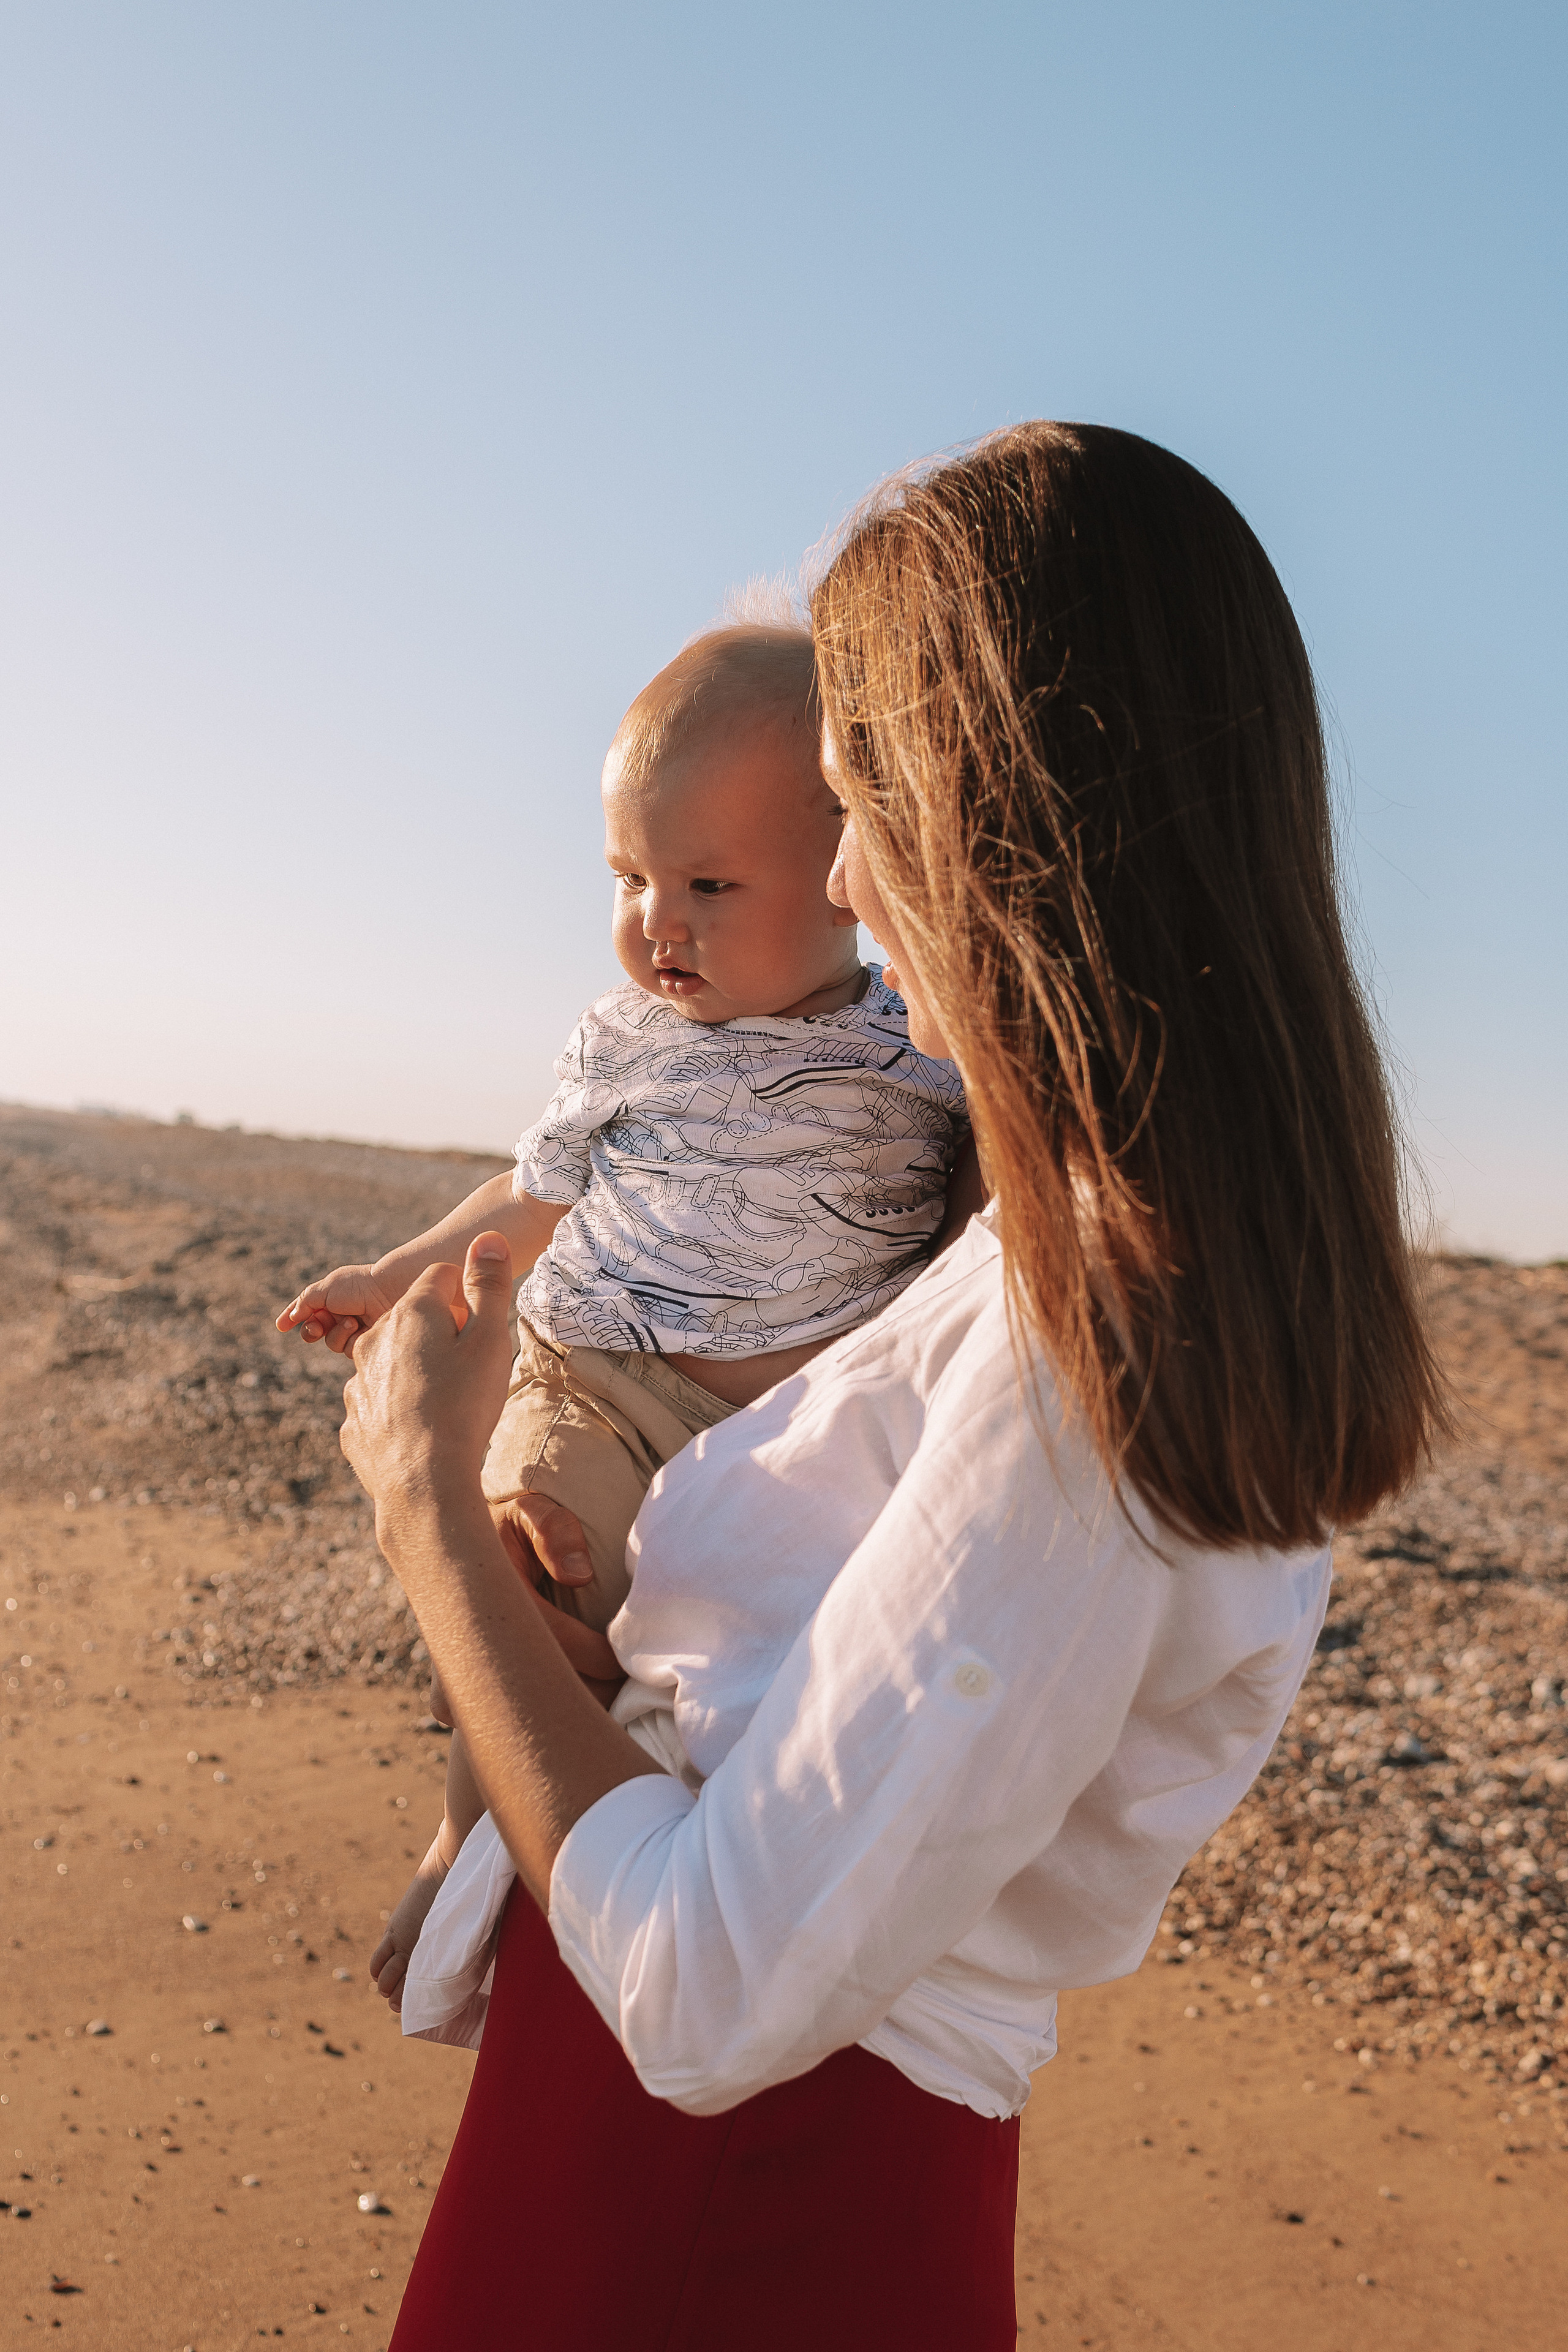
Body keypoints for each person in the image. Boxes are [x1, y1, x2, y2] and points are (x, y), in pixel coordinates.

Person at [337, 423, 1446, 2352]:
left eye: (870, 800)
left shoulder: (1090, 1358)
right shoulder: (1036, 1249)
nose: (842, 874)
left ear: (1022, 818)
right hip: (698, 2150)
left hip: (729, 2200)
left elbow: (712, 1989)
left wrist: (426, 1513)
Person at [274, 625, 968, 2002]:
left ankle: (642, 1822)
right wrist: (400, 1275)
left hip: (775, 1428)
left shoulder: (918, 1053)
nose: (658, 922)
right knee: (521, 1566)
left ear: (848, 884)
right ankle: (463, 1834)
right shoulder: (628, 1046)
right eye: (629, 878)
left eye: (709, 883)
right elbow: (529, 1196)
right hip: (598, 1375)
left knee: (715, 1671)